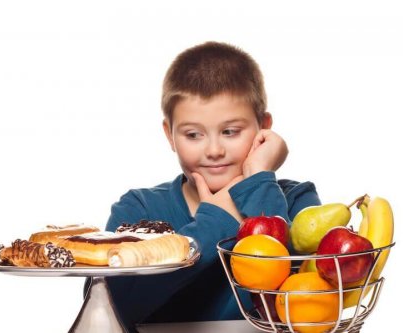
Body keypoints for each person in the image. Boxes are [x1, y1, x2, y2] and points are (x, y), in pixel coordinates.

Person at [103, 41, 320, 330]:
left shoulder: (296, 200)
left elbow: (304, 297)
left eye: (230, 132)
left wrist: (258, 181)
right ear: (170, 135)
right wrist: (217, 221)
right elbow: (110, 311)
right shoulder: (138, 210)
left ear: (263, 128)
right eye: (193, 135)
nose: (214, 150)